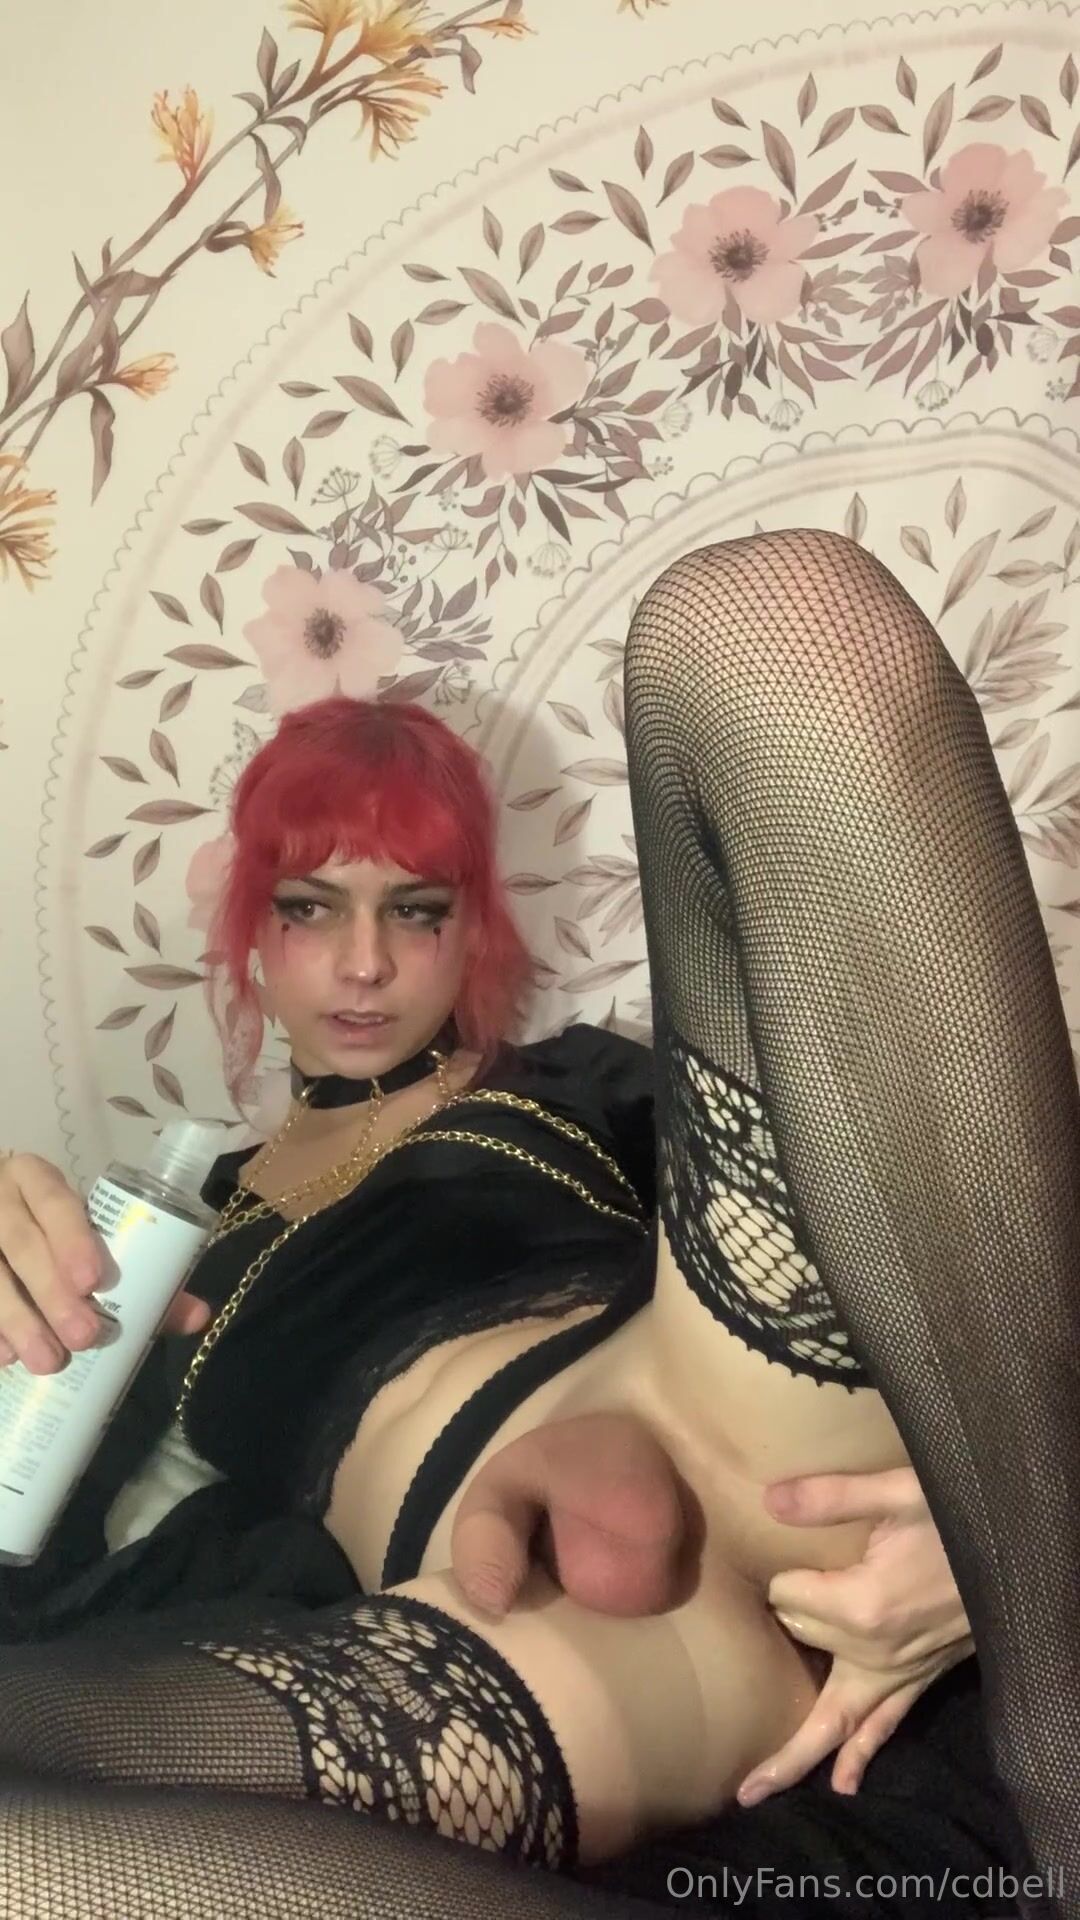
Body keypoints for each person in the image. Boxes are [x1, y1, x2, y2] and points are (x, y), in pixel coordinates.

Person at [1, 530, 1076, 1920]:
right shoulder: (167, 1241)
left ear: (472, 934)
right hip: (533, 1607)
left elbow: (940, 1191)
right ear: (255, 938)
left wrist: (1009, 1530)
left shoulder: (568, 1085)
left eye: (417, 911)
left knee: (764, 621)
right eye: (313, 909)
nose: (366, 963)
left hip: (747, 1397)